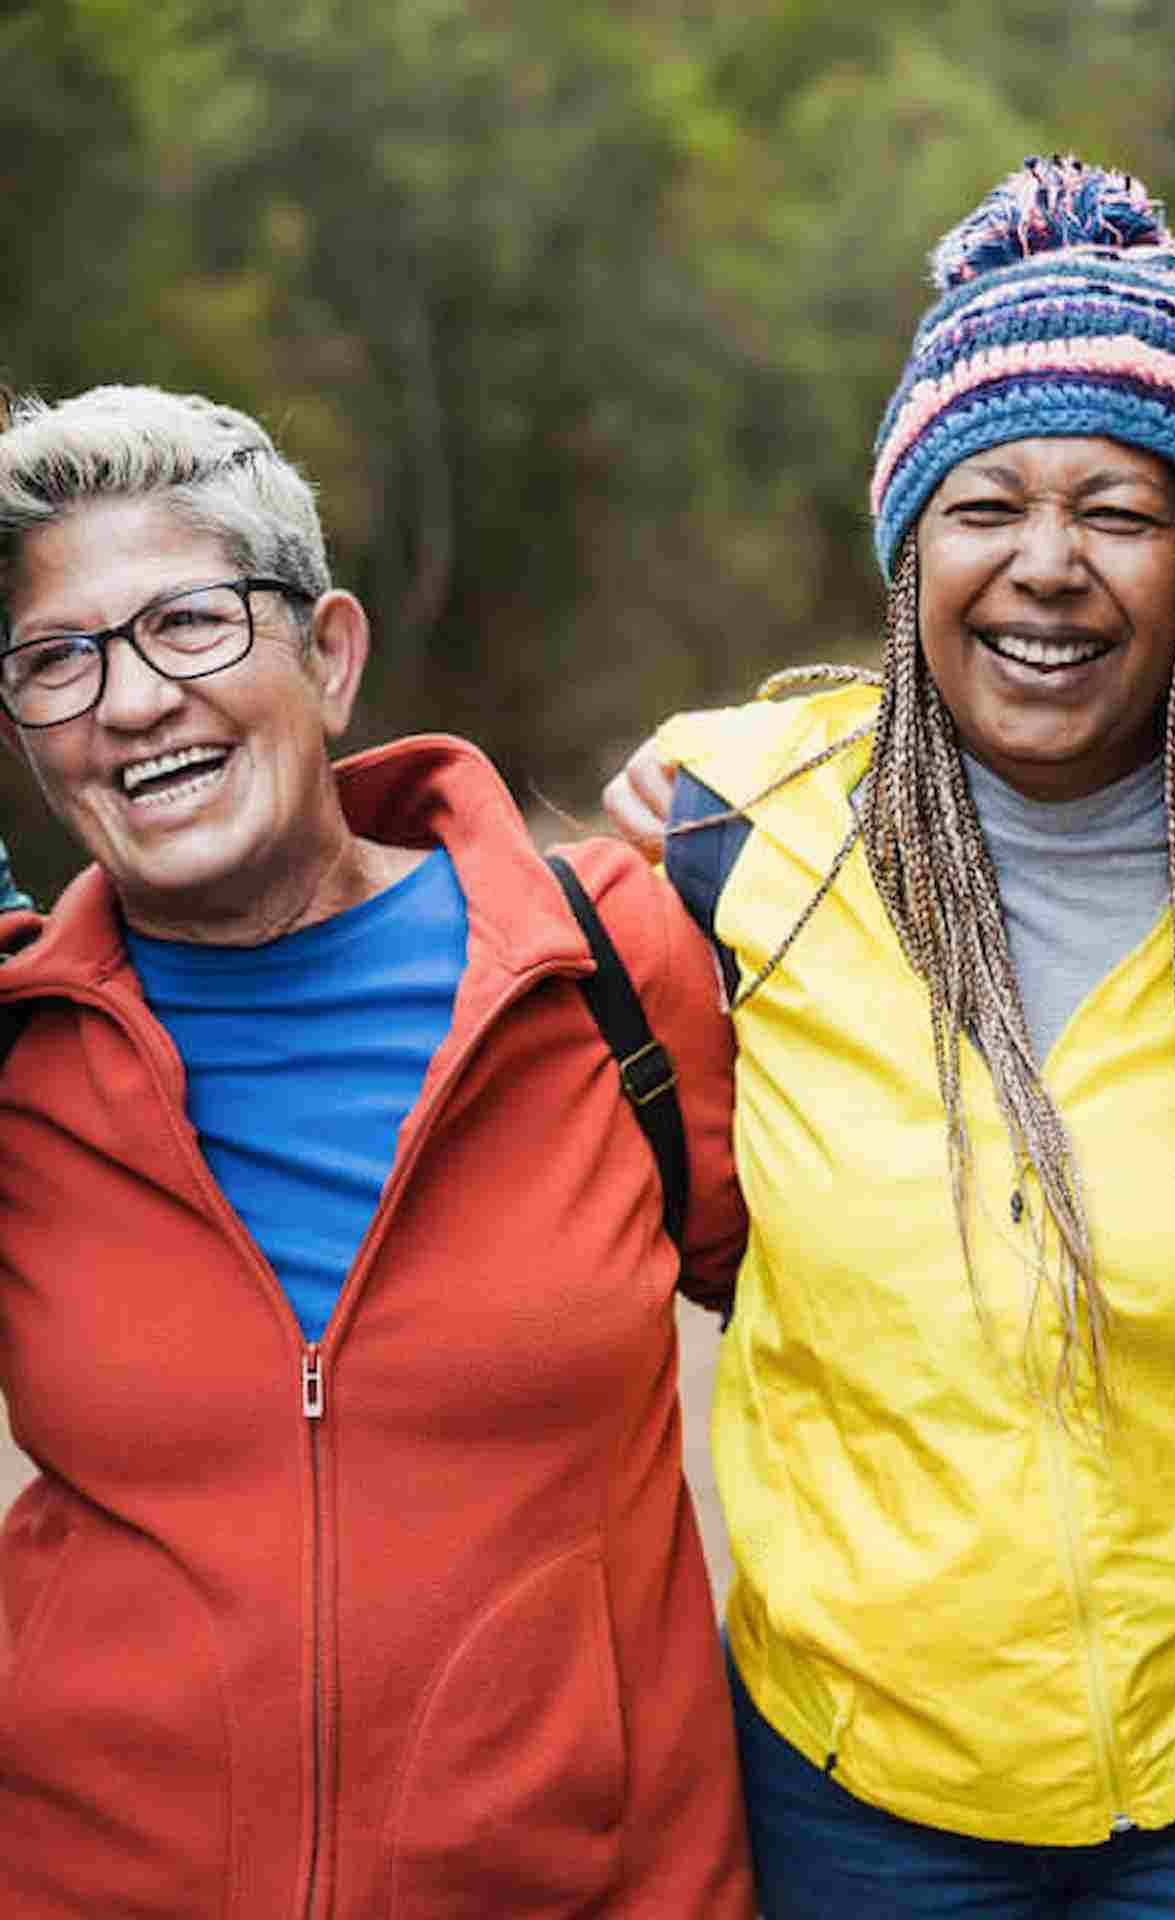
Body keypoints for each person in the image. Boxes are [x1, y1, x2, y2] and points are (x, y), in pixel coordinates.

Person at [604, 157, 1175, 1918]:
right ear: (906, 547)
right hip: (864, 1778)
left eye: (1122, 512)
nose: (1048, 569)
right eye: (983, 506)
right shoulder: (733, 855)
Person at [0, 385, 755, 1916]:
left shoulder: (611, 970)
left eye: (189, 625)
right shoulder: (18, 1055)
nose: (131, 701)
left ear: (330, 656)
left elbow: (899, 1312)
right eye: (54, 663)